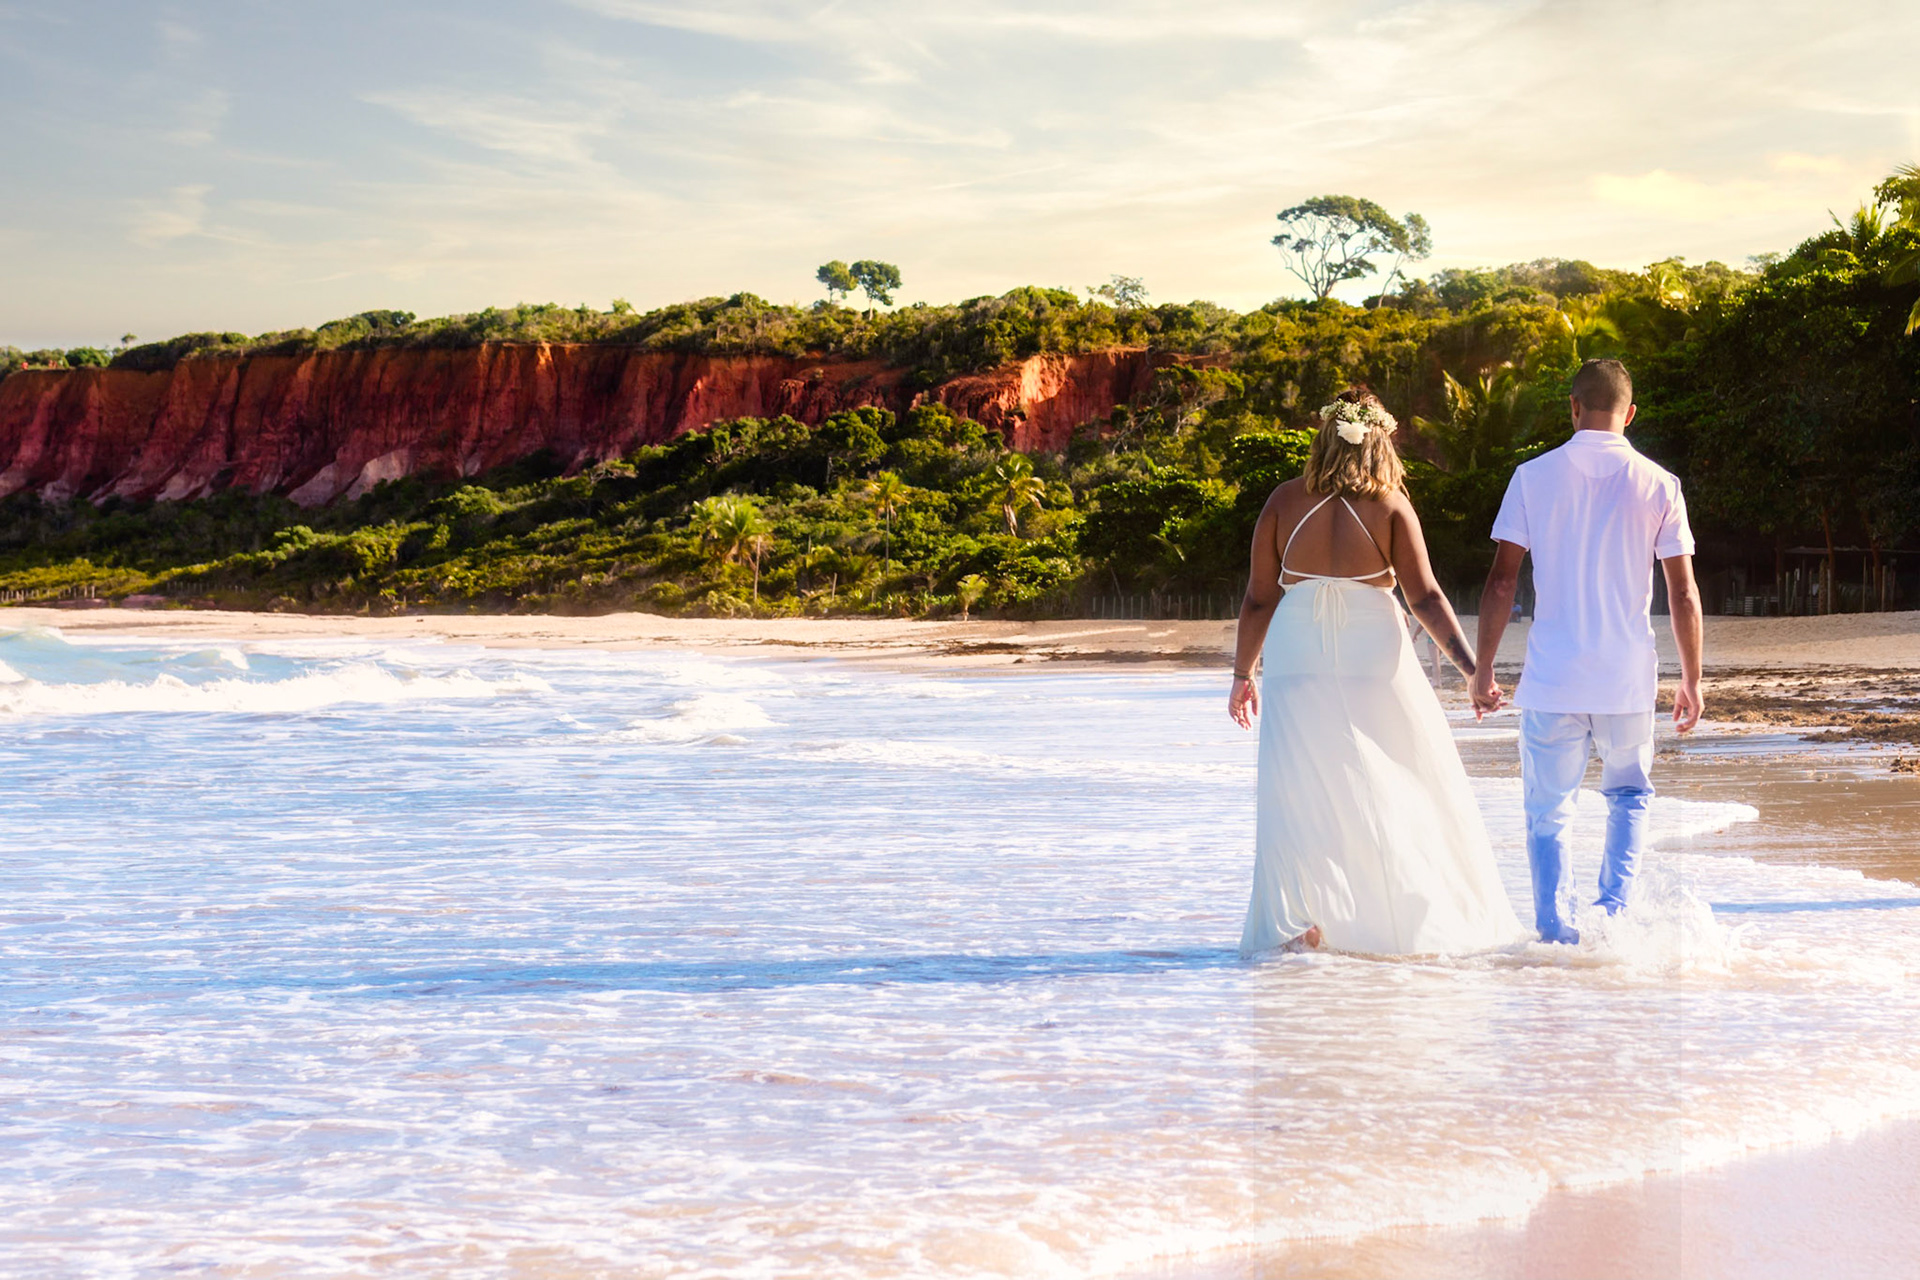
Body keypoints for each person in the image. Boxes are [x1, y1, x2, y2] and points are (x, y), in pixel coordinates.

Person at [1229, 387, 1524, 956]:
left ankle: (1302, 922)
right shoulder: (1390, 506)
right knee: (1402, 775)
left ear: (1324, 434)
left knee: (1298, 787)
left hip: (1296, 654)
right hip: (1373, 651)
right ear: (1380, 440)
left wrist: (1243, 674)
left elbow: (1259, 599)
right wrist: (1472, 671)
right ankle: (1399, 920)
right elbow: (1426, 597)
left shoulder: (1282, 501)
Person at [1471, 358, 1704, 945]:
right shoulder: (1660, 483)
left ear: (1573, 408)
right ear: (1631, 413)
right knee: (1628, 796)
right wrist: (1692, 679)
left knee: (1549, 811)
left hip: (1553, 679)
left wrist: (1482, 669)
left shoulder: (1531, 476)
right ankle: (1611, 921)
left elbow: (1501, 581)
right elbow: (1682, 591)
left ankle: (1556, 934)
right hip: (1626, 678)